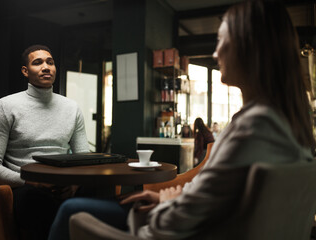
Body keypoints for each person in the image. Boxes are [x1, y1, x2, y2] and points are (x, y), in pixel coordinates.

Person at [48, 1, 315, 239]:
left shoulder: (255, 126)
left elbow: (179, 220)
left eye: (222, 41)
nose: (215, 53)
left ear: (250, 46)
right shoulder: (287, 128)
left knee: (72, 209)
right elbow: (217, 198)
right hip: (204, 223)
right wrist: (165, 198)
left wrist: (163, 206)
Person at [0, 45, 89, 240]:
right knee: (35, 200)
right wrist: (32, 181)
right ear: (25, 71)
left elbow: (84, 159)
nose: (46, 67)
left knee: (98, 191)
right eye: (37, 63)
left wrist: (74, 184)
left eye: (50, 62)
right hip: (26, 188)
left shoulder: (72, 108)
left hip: (63, 185)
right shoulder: (6, 106)